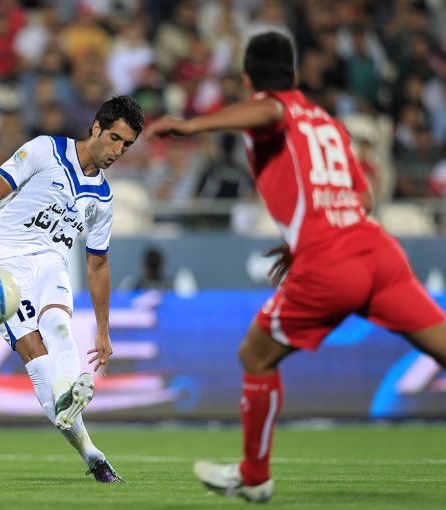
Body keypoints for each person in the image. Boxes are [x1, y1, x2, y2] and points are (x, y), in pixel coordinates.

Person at [146, 31, 446, 503]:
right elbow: (363, 198)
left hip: (331, 261)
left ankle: (254, 477)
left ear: (248, 79)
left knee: (255, 356)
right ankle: (251, 476)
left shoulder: (272, 109)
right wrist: (305, 236)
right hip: (377, 253)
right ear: (298, 74)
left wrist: (192, 125)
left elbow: (270, 112)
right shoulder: (328, 123)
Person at [0, 95, 144, 483]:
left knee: (60, 326)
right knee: (35, 352)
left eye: (127, 145)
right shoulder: (45, 150)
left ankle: (69, 390)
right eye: (114, 138)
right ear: (96, 127)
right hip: (4, 264)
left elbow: (98, 264)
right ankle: (92, 453)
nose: (117, 151)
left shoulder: (102, 198)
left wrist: (103, 329)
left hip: (50, 262)